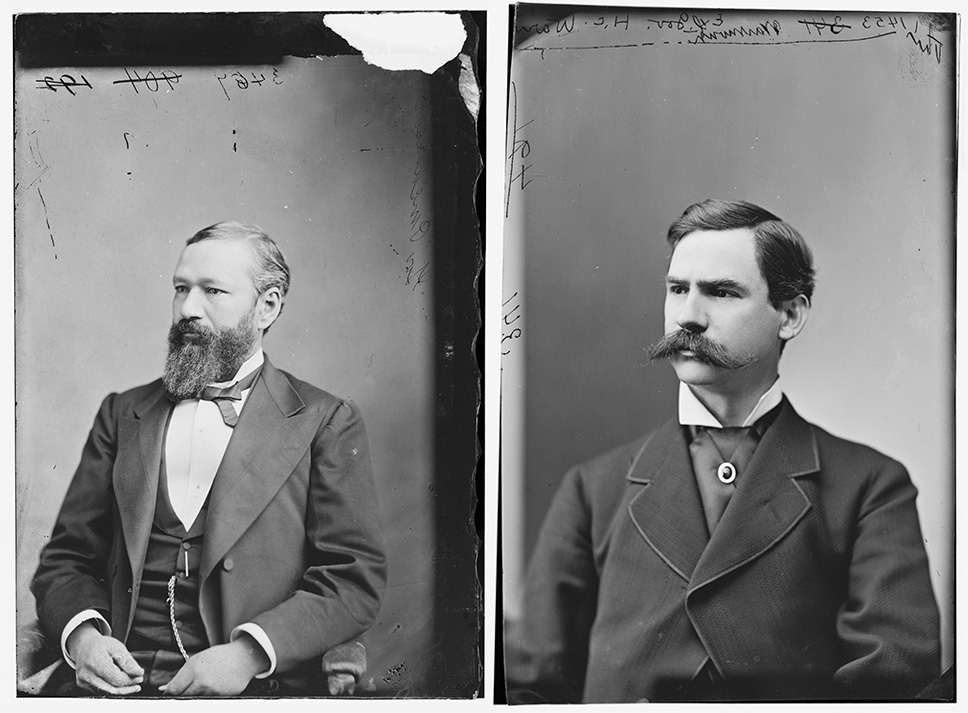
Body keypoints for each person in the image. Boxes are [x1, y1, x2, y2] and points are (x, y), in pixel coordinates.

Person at [507, 199, 941, 702]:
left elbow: (892, 683)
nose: (688, 316)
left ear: (790, 315)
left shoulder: (869, 486)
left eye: (721, 292)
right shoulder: (592, 490)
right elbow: (529, 689)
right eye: (678, 289)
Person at [32, 221, 387, 696]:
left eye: (212, 291)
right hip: (116, 687)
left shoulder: (324, 421)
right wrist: (85, 639)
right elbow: (67, 557)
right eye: (181, 289)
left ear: (267, 306)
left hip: (252, 688)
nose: (187, 309)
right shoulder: (122, 413)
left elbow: (352, 579)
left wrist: (248, 653)